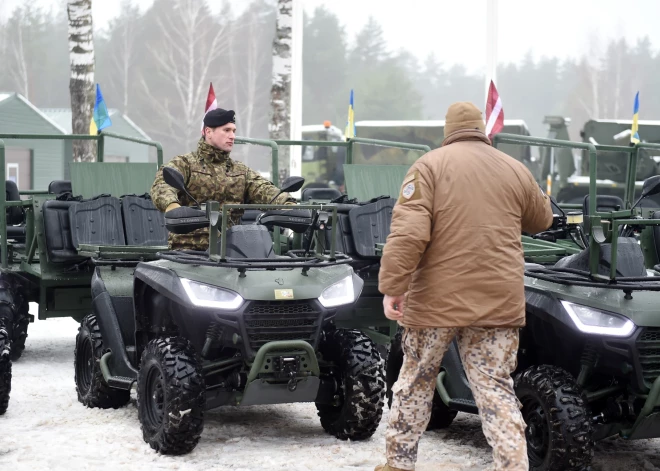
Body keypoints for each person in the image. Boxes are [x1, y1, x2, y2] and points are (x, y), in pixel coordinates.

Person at [375, 102, 554, 471]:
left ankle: (398, 464)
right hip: (497, 301)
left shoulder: (429, 166)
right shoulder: (514, 168)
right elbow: (542, 219)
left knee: (416, 382)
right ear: (481, 129)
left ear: (449, 130)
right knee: (495, 388)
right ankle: (513, 466)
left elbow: (408, 234)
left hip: (434, 304)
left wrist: (393, 286)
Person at [150, 108, 296, 251]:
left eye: (234, 131)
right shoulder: (185, 164)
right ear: (208, 132)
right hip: (190, 253)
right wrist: (173, 207)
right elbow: (162, 185)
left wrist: (289, 205)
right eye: (226, 130)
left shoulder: (240, 171)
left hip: (232, 253)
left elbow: (265, 190)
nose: (232, 136)